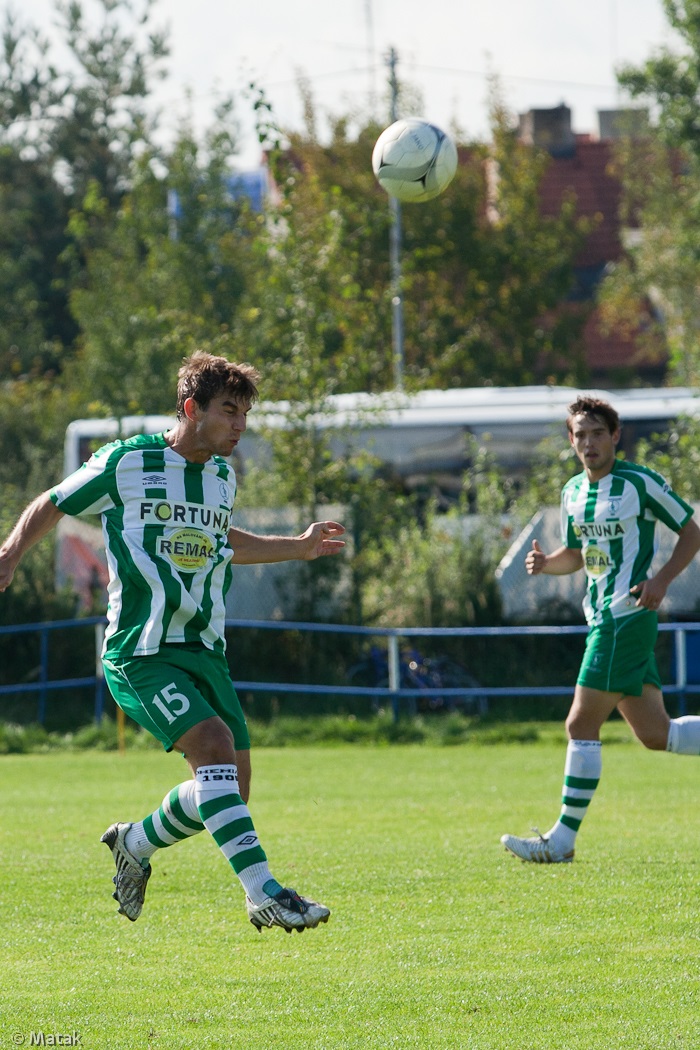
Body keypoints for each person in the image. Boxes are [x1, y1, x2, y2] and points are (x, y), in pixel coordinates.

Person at [0, 351, 346, 931]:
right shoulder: (127, 462)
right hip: (142, 651)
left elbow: (220, 539)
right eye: (229, 411)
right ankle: (264, 892)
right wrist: (10, 554)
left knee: (229, 787)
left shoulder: (220, 475)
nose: (240, 425)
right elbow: (55, 501)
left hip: (206, 651)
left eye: (245, 414)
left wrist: (300, 545)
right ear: (192, 408)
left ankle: (135, 842)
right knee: (211, 747)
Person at [501, 395, 700, 864]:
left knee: (579, 722)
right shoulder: (572, 491)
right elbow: (576, 555)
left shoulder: (639, 483)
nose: (588, 442)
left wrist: (662, 580)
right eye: (579, 435)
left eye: (596, 433)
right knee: (656, 733)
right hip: (601, 617)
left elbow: (692, 532)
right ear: (571, 441)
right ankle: (562, 842)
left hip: (624, 616)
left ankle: (561, 842)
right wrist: (548, 563)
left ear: (615, 437)